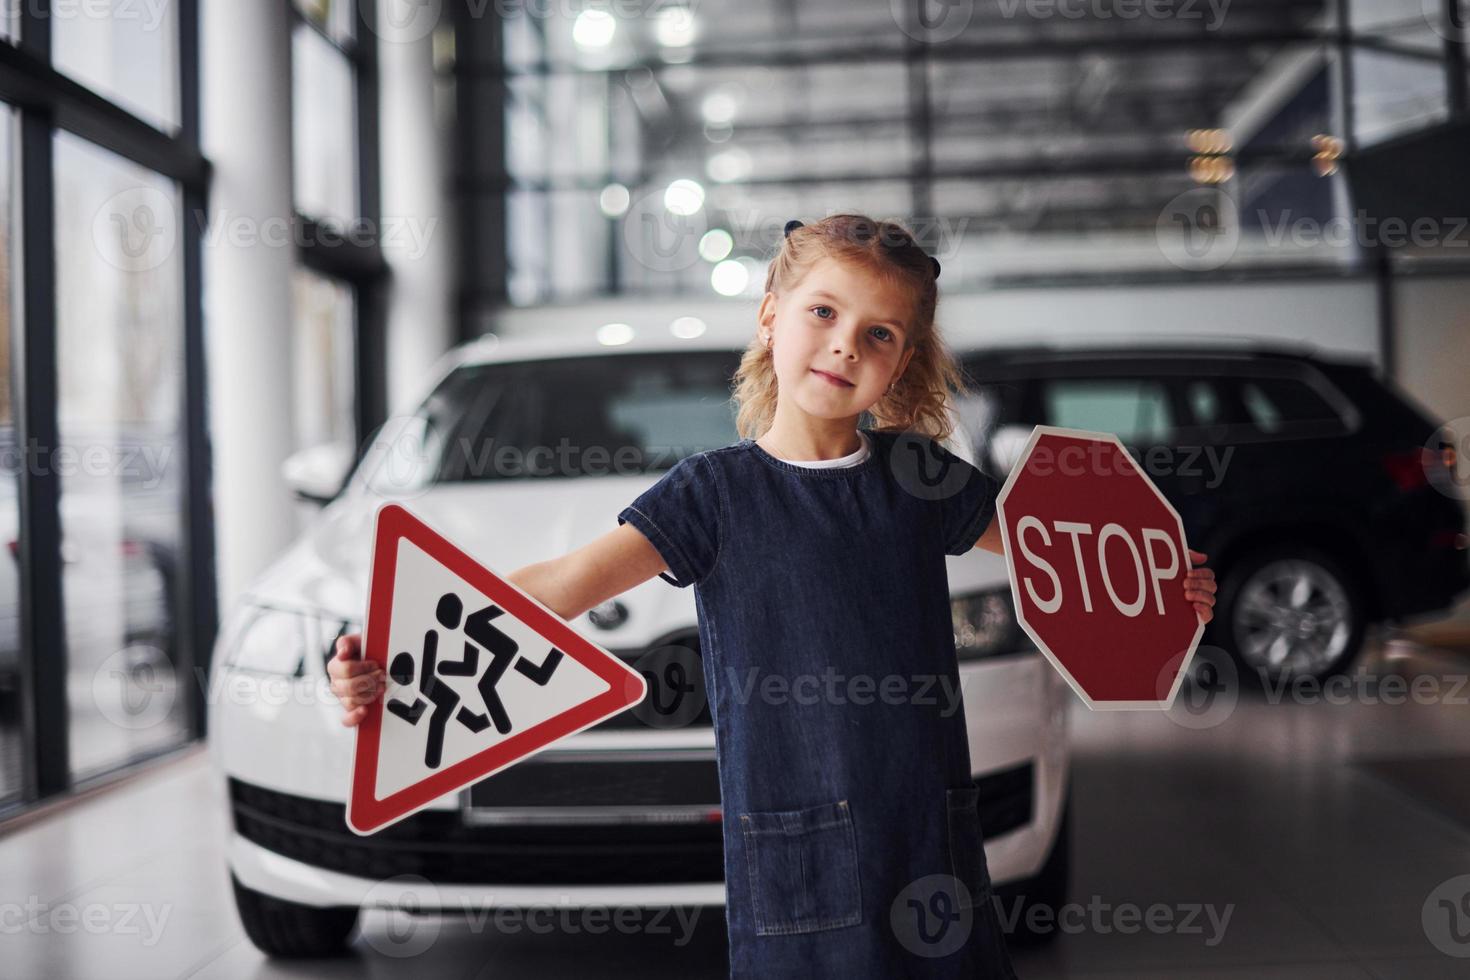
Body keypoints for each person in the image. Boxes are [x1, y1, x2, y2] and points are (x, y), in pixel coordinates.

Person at [328, 214, 1219, 976]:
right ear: (769, 319)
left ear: (902, 364)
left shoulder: (921, 476)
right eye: (823, 312)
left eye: (880, 334)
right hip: (794, 848)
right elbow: (560, 588)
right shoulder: (710, 494)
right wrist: (388, 650)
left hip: (930, 837)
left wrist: (1163, 588)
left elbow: (1051, 559)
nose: (844, 344)